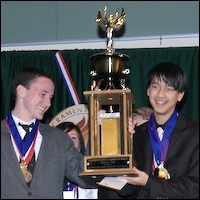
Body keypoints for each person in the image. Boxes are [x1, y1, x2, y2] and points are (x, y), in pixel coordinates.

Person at [1, 68, 90, 199]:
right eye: (43, 94)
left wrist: (98, 131)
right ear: (21, 91)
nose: (48, 103)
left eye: (51, 97)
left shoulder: (60, 139)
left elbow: (84, 176)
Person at [117, 62, 199, 199]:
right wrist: (114, 135)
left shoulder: (195, 134)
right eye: (155, 87)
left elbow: (195, 188)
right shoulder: (136, 135)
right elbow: (125, 190)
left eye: (169, 89)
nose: (160, 94)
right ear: (148, 91)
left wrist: (149, 182)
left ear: (180, 95)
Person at [97, 107, 153, 199]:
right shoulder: (114, 151)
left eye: (144, 130)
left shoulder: (158, 161)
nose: (138, 134)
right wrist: (104, 129)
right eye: (135, 128)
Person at [56, 122, 98, 199]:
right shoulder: (47, 172)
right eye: (64, 138)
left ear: (80, 144)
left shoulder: (90, 171)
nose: (68, 142)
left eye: (73, 138)